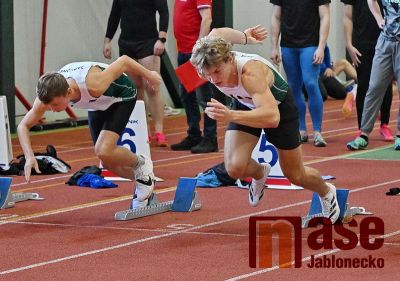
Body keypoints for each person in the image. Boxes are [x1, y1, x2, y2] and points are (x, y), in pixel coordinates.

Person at [190, 26, 340, 223]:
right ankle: (260, 173)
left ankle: (327, 192)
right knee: (234, 168)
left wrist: (231, 115)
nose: (214, 79)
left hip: (278, 108)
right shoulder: (209, 50)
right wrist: (245, 37)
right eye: (207, 75)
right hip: (245, 103)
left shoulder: (250, 74)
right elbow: (218, 32)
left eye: (217, 71)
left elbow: (272, 117)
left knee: (295, 175)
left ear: (229, 59)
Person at [17, 56, 161, 208]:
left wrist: (149, 75)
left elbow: (124, 61)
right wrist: (29, 156)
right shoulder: (47, 96)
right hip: (96, 103)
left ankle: (141, 163)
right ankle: (144, 179)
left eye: (55, 104)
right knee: (107, 162)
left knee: (104, 150)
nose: (51, 109)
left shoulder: (94, 84)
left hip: (121, 96)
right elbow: (23, 126)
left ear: (68, 92)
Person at [103, 0, 169, 147]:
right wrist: (107, 40)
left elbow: (164, 12)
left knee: (152, 87)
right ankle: (143, 129)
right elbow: (115, 15)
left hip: (148, 42)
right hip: (127, 43)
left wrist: (161, 39)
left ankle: (159, 131)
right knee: (135, 89)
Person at [270, 0, 330, 147]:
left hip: (310, 43)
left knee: (310, 82)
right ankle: (301, 129)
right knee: (293, 87)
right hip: (288, 44)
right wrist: (274, 47)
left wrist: (321, 46)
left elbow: (325, 17)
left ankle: (317, 131)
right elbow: (276, 17)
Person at [346, 0, 400, 151]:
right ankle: (363, 134)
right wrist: (378, 18)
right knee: (374, 86)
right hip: (385, 42)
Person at [171, 0, 219, 154]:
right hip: (184, 51)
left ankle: (210, 138)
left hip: (195, 52)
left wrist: (198, 48)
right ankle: (194, 134)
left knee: (204, 97)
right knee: (186, 95)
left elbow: (207, 19)